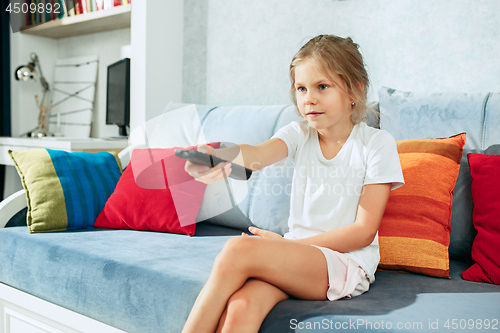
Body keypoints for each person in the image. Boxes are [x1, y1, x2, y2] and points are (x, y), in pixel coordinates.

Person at [181, 34, 404, 333]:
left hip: (344, 263)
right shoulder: (299, 134)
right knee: (241, 308)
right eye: (301, 88)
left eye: (322, 87)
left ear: (355, 90)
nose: (308, 98)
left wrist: (291, 246)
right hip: (297, 257)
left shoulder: (376, 144)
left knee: (239, 250)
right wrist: (223, 157)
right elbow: (259, 154)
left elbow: (363, 233)